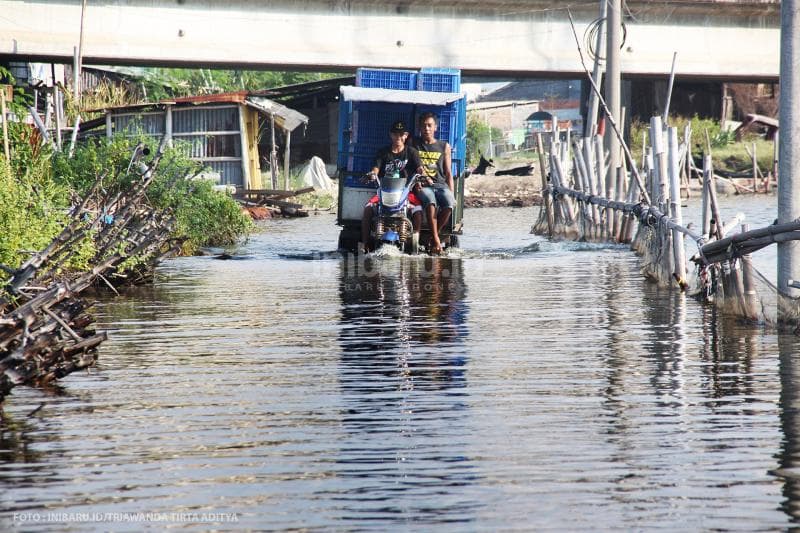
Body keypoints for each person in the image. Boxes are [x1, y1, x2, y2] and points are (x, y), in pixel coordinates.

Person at [360, 120, 424, 253]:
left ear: (406, 135)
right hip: (384, 192)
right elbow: (376, 169)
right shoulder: (383, 153)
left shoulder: (412, 152)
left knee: (418, 210)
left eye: (401, 134)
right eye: (395, 134)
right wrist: (372, 174)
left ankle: (415, 240)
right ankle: (365, 243)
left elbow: (419, 168)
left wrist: (422, 175)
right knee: (367, 209)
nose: (398, 138)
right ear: (391, 135)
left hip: (405, 192)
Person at [411, 112, 455, 254]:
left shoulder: (444, 146)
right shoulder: (414, 143)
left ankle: (432, 237)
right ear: (419, 127)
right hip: (422, 185)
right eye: (424, 126)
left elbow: (448, 172)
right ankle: (436, 240)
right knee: (430, 201)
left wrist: (451, 191)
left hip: (440, 185)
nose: (427, 129)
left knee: (449, 203)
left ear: (435, 127)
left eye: (430, 125)